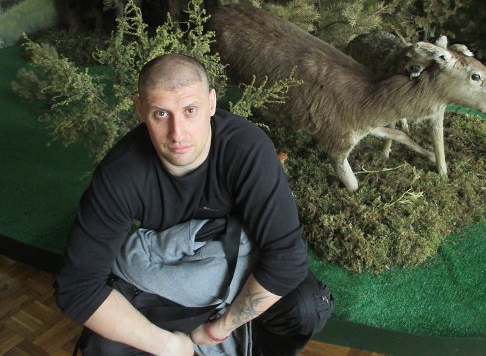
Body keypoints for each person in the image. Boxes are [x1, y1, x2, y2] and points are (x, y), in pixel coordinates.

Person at [54, 53, 335, 355]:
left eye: (190, 110)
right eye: (161, 114)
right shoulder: (120, 174)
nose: (177, 133)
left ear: (211, 103)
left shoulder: (246, 149)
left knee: (306, 307)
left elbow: (287, 259)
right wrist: (169, 346)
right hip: (167, 273)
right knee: (106, 347)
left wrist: (218, 329)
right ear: (140, 109)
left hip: (241, 265)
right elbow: (77, 287)